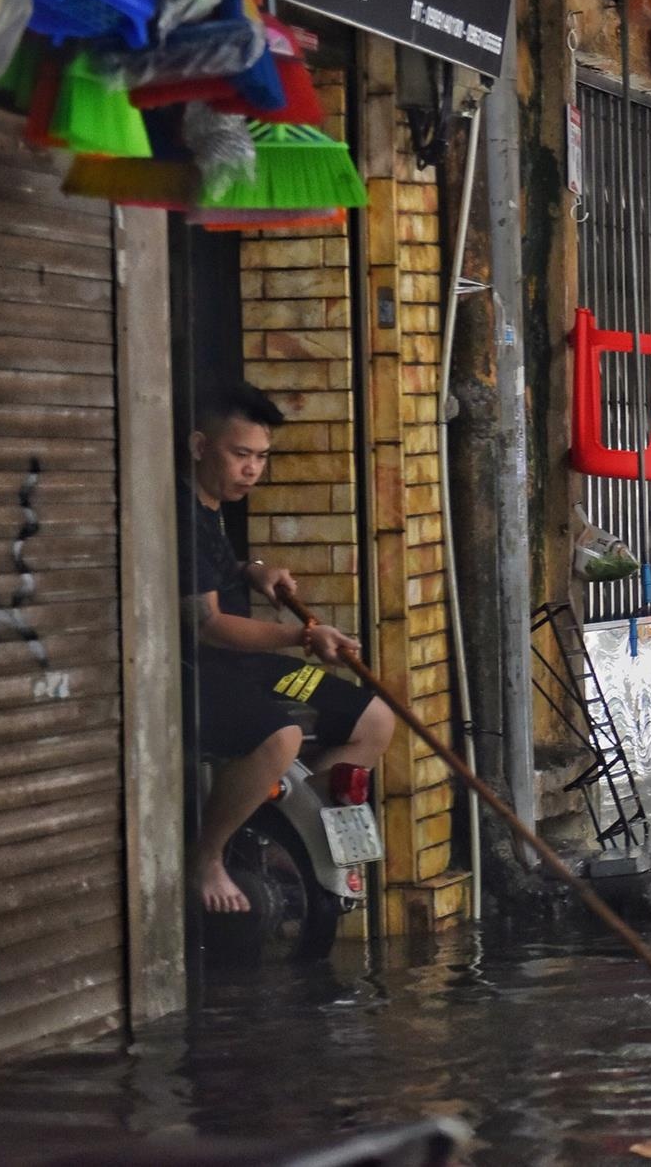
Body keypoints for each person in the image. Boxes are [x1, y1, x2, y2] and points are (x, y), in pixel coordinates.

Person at [181, 385, 393, 914]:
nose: (252, 469)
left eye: (261, 457)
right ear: (200, 446)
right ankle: (208, 856)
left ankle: (268, 830)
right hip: (199, 671)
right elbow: (207, 626)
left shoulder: (213, 504)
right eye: (240, 454)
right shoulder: (180, 512)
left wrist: (252, 571)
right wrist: (302, 636)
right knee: (282, 739)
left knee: (375, 720)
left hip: (247, 666)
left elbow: (216, 571)